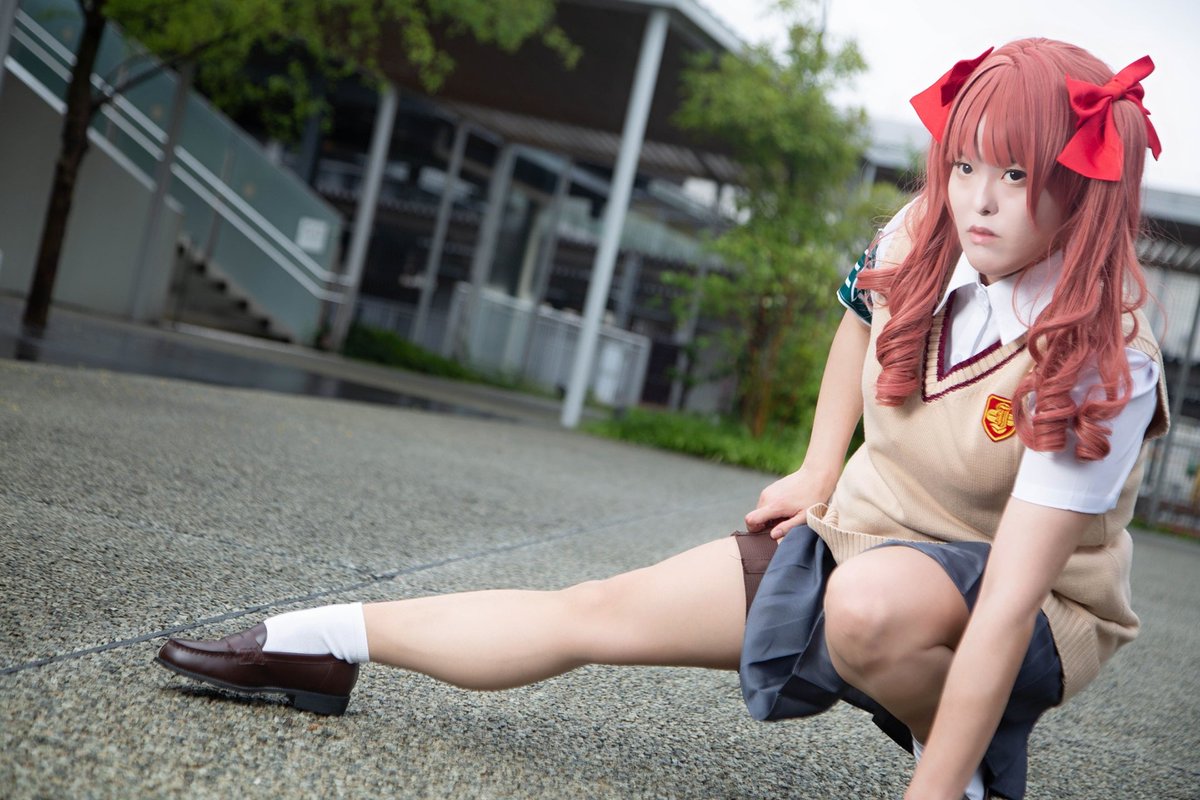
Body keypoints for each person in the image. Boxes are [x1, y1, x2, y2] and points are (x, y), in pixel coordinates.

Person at [155, 39, 1168, 800]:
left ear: (1082, 185)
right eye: (965, 164)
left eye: (1016, 175)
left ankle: (957, 770)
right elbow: (862, 323)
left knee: (866, 611)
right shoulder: (930, 227)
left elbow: (1005, 604)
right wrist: (819, 469)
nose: (978, 200)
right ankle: (322, 642)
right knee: (596, 610)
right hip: (865, 540)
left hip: (1027, 606)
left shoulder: (1103, 354)